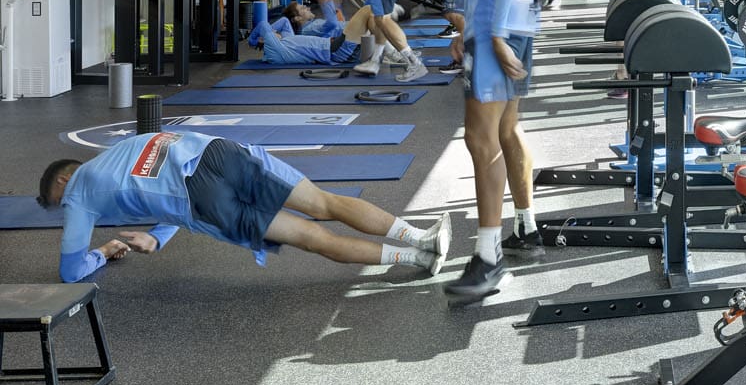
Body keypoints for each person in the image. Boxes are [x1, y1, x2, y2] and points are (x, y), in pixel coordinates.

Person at [39, 130, 450, 283]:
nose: (66, 210)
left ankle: (415, 256)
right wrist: (158, 235)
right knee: (325, 203)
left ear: (63, 181)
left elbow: (70, 272)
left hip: (201, 199)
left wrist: (106, 250)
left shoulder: (78, 194)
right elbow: (158, 187)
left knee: (311, 237)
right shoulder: (128, 144)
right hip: (219, 154)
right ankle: (420, 237)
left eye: (58, 202)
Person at [447, 0, 540, 304]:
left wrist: (494, 34)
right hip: (500, 22)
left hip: (499, 26)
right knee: (505, 130)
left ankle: (489, 257)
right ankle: (525, 229)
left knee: (479, 140)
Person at [251, 1, 430, 80]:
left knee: (373, 17)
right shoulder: (279, 48)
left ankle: (393, 55)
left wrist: (274, 30)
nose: (274, 34)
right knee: (369, 10)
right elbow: (262, 25)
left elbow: (280, 22)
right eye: (302, 8)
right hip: (336, 50)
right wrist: (253, 39)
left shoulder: (288, 37)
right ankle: (397, 14)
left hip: (338, 45)